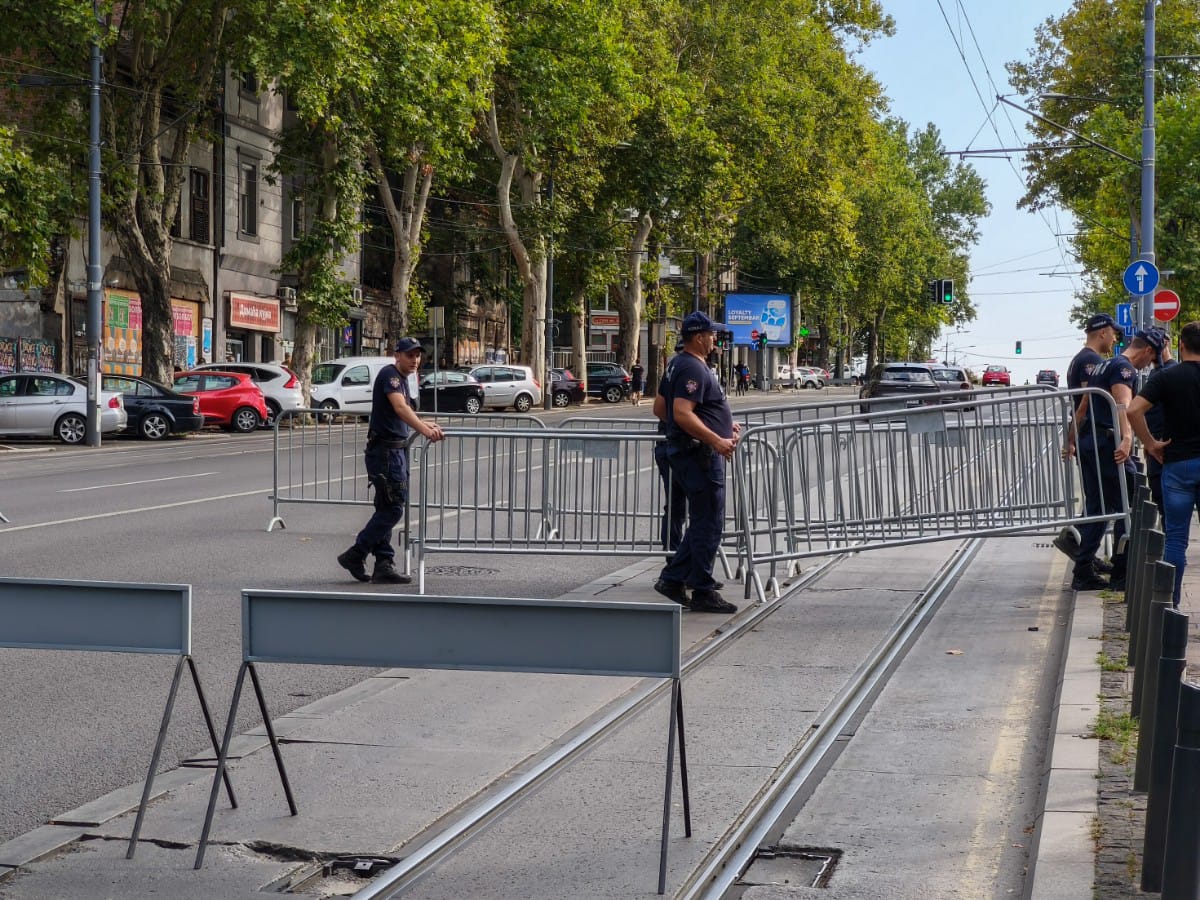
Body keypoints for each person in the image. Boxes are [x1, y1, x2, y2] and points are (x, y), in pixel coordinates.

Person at [1064, 328, 1165, 592]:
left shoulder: (1102, 365)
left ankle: (1083, 570)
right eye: (1151, 360)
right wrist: (1128, 437)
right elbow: (1124, 405)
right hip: (1109, 444)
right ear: (1147, 351)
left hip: (1090, 443)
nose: (1147, 366)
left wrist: (1072, 439)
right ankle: (1122, 574)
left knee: (1098, 508)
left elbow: (1083, 406)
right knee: (1129, 504)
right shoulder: (1125, 369)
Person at [338, 336, 445, 584]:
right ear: (397, 355)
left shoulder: (403, 378)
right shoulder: (391, 375)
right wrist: (425, 430)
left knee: (385, 507)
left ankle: (384, 563)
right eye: (410, 355)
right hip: (386, 453)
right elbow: (399, 407)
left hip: (393, 451)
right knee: (394, 508)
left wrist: (422, 424)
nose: (415, 360)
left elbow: (403, 411)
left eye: (418, 355)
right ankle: (356, 553)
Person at [653, 311, 740, 614]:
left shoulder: (677, 364)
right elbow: (680, 412)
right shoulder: (692, 367)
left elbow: (660, 408)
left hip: (689, 451)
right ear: (700, 337)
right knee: (708, 522)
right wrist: (713, 439)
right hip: (700, 455)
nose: (716, 339)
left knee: (702, 520)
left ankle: (678, 579)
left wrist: (718, 425)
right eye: (712, 334)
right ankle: (697, 587)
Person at [1128, 322, 1200, 607]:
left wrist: (1150, 443)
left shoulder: (1168, 377)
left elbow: (1134, 410)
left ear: (1181, 346)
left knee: (1175, 540)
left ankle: (1169, 606)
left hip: (1177, 466)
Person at [1053, 312, 1120, 575]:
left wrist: (1071, 439)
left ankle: (1086, 554)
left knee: (1097, 501)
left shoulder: (1080, 359)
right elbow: (1086, 402)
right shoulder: (1090, 360)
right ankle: (1079, 543)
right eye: (1112, 332)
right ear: (1101, 332)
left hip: (1085, 437)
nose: (1114, 337)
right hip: (1094, 437)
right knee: (1101, 501)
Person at [653, 342, 688, 554]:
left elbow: (658, 408)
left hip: (668, 443)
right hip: (681, 445)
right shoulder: (687, 370)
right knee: (695, 508)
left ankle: (674, 555)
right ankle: (679, 559)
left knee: (675, 505)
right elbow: (660, 408)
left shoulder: (671, 368)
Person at [1137, 329, 1175, 511]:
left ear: (1165, 344)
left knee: (1169, 507)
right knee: (1162, 504)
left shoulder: (1172, 372)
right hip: (1156, 450)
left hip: (1167, 448)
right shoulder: (1155, 374)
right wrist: (1147, 443)